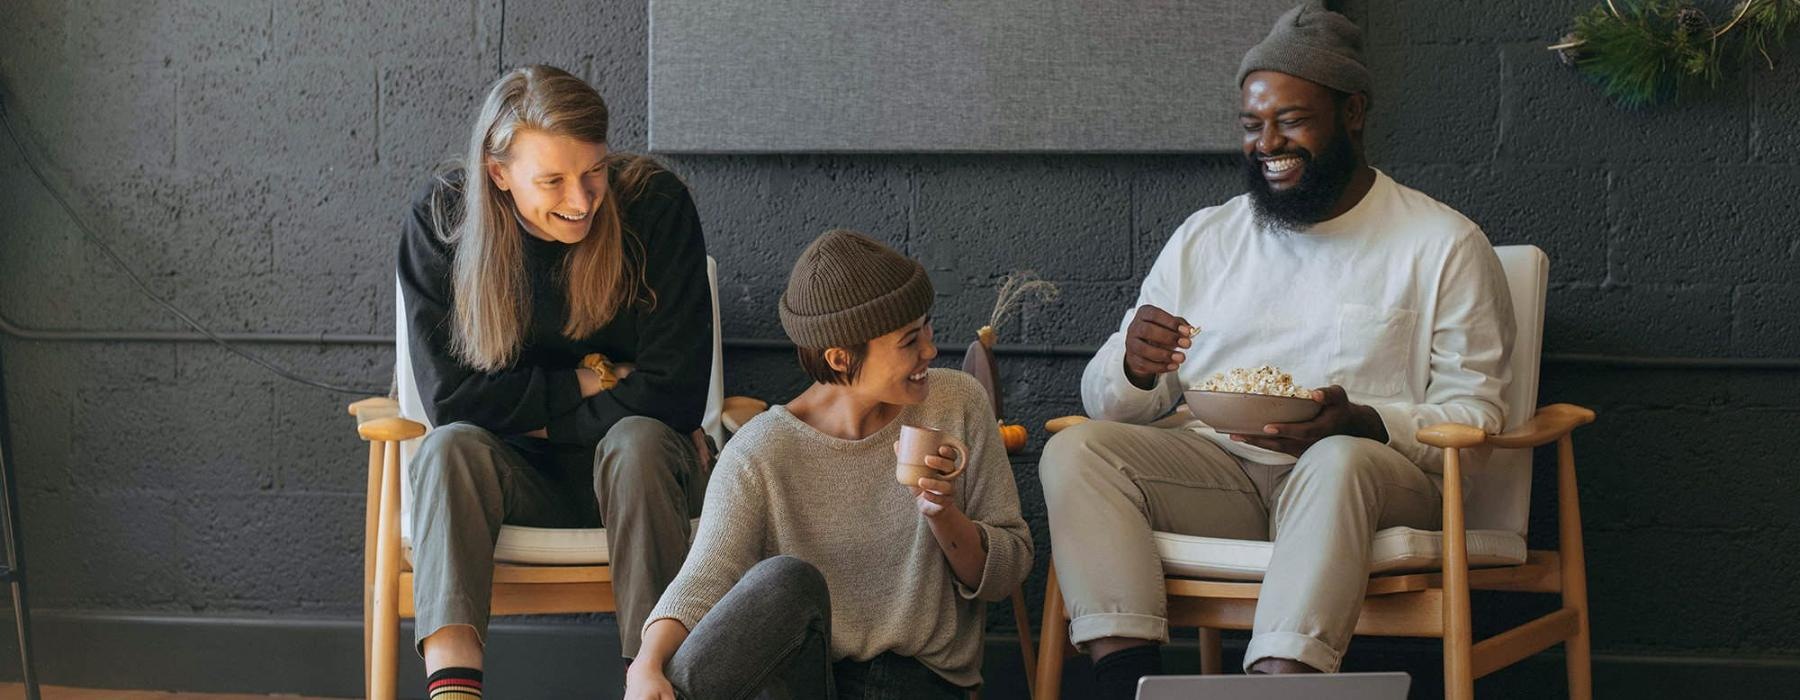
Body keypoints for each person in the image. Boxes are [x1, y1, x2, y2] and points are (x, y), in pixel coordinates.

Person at [1037, 2, 1516, 697]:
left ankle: (1280, 686)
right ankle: (1123, 682)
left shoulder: (1441, 244)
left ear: (1351, 113)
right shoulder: (1207, 237)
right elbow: (1109, 403)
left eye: (1291, 121)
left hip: (1374, 481)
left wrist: (1367, 423)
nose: (1268, 144)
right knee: (1077, 450)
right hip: (1222, 472)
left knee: (1339, 458)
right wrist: (1135, 367)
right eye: (1252, 125)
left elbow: (1478, 412)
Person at [397, 64, 713, 699]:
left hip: (646, 481)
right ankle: (454, 694)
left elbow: (675, 392)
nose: (581, 199)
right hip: (519, 479)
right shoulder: (443, 219)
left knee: (638, 443)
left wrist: (526, 406)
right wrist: (592, 379)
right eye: (553, 180)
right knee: (449, 449)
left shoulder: (655, 206)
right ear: (499, 175)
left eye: (593, 171)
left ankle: (649, 683)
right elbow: (452, 401)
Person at [624, 229, 1033, 699]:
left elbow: (1007, 574)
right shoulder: (761, 450)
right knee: (784, 581)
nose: (930, 350)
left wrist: (945, 515)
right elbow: (706, 574)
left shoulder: (956, 402)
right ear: (840, 358)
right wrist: (645, 666)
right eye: (908, 341)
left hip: (920, 681)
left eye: (927, 327)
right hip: (804, 682)